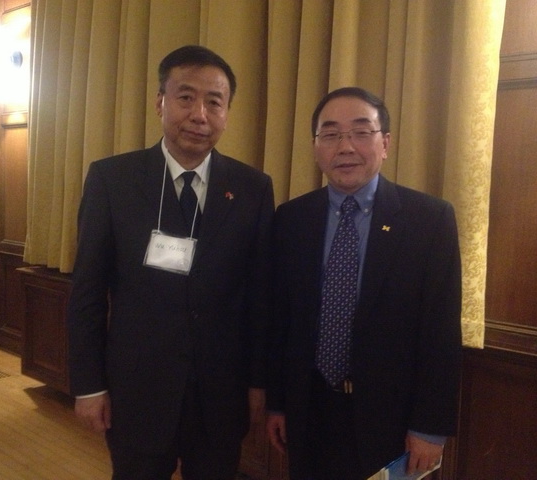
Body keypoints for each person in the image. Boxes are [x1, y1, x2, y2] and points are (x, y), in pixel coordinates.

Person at [67, 45, 274, 480]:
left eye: (214, 102)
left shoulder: (252, 188)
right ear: (160, 102)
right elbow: (87, 292)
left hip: (220, 394)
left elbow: (260, 298)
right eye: (185, 97)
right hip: (137, 390)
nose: (200, 114)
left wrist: (258, 383)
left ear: (227, 113)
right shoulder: (113, 180)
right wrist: (88, 385)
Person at [266, 87, 462, 480]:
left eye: (361, 132)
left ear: (385, 143)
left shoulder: (428, 220)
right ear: (316, 146)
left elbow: (440, 332)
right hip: (309, 411)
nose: (345, 147)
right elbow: (280, 321)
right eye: (331, 134)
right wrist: (278, 403)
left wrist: (429, 428)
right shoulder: (291, 219)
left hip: (391, 419)